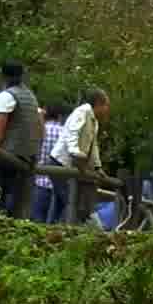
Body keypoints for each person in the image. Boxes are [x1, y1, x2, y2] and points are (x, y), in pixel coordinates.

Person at [36, 88, 107, 223]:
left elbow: (93, 146)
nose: (107, 110)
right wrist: (75, 152)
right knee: (70, 199)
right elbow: (72, 132)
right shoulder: (82, 111)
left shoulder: (94, 122)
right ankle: (63, 230)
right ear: (99, 103)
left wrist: (97, 166)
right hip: (60, 161)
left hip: (68, 163)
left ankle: (52, 229)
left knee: (61, 201)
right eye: (106, 106)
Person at [0, 61, 43, 217]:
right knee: (16, 200)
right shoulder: (31, 96)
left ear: (4, 76)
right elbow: (40, 126)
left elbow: (0, 127)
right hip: (28, 156)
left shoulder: (7, 95)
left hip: (9, 155)